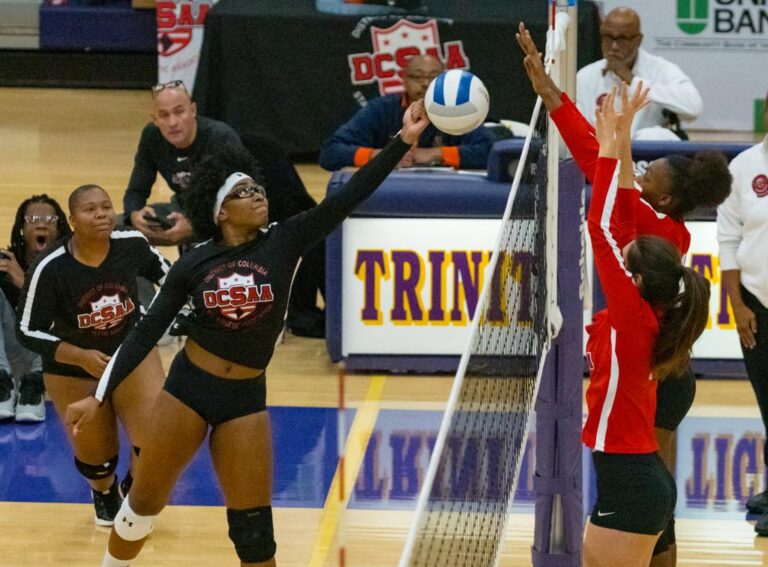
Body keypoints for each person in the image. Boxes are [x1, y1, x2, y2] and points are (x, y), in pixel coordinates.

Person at [65, 101, 431, 567]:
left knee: (255, 533)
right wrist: (98, 396)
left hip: (245, 398)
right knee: (142, 508)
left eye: (258, 188)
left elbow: (349, 196)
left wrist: (402, 140)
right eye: (244, 192)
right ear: (221, 212)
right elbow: (143, 334)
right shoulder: (194, 262)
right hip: (187, 393)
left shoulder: (286, 239)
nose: (258, 195)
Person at [516, 23, 732, 566]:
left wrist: (609, 130)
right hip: (657, 367)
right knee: (655, 509)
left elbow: (601, 174)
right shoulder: (655, 218)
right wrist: (555, 97)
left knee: (650, 510)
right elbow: (601, 163)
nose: (639, 172)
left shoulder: (653, 225)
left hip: (656, 377)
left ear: (669, 195)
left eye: (648, 172)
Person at [583, 84, 710, 566]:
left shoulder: (631, 318)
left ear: (632, 279)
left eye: (626, 259)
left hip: (631, 481)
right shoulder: (647, 309)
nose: (625, 243)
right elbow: (616, 224)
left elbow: (600, 228)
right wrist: (617, 135)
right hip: (629, 478)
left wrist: (611, 143)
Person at [15, 185, 170, 525]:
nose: (101, 214)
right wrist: (79, 355)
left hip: (131, 353)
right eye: (89, 209)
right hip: (72, 364)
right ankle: (103, 490)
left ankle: (134, 488)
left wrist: (162, 319)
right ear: (71, 220)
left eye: (106, 207)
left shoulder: (132, 243)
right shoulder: (50, 266)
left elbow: (172, 279)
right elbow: (26, 330)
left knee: (155, 436)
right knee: (97, 457)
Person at [125, 80, 324, 337]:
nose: (173, 121)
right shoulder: (151, 137)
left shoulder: (220, 137)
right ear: (155, 119)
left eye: (179, 111)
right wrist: (135, 213)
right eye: (164, 115)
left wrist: (194, 226)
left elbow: (240, 201)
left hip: (226, 217)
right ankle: (151, 313)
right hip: (183, 210)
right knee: (125, 235)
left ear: (193, 110)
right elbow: (136, 188)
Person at [717, 93, 768, 535]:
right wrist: (736, 303)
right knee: (766, 399)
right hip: (756, 304)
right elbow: (728, 238)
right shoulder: (745, 167)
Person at [318, 54, 493, 171]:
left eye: (433, 77)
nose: (425, 83)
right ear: (404, 80)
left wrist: (433, 154)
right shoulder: (381, 110)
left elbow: (490, 151)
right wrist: (382, 156)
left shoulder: (457, 109)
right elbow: (330, 152)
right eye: (417, 76)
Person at [577, 7, 702, 140]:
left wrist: (633, 80)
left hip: (646, 155)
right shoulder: (586, 76)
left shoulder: (659, 69)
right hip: (599, 152)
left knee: (653, 136)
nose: (614, 46)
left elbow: (693, 107)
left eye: (622, 38)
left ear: (638, 40)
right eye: (608, 37)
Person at [0, 195, 72, 422]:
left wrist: (25, 284)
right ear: (22, 228)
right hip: (10, 355)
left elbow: (74, 318)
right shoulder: (7, 262)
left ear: (60, 228)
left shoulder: (72, 265)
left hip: (50, 358)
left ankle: (34, 386)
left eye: (49, 219)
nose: (41, 224)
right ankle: (3, 383)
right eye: (33, 219)